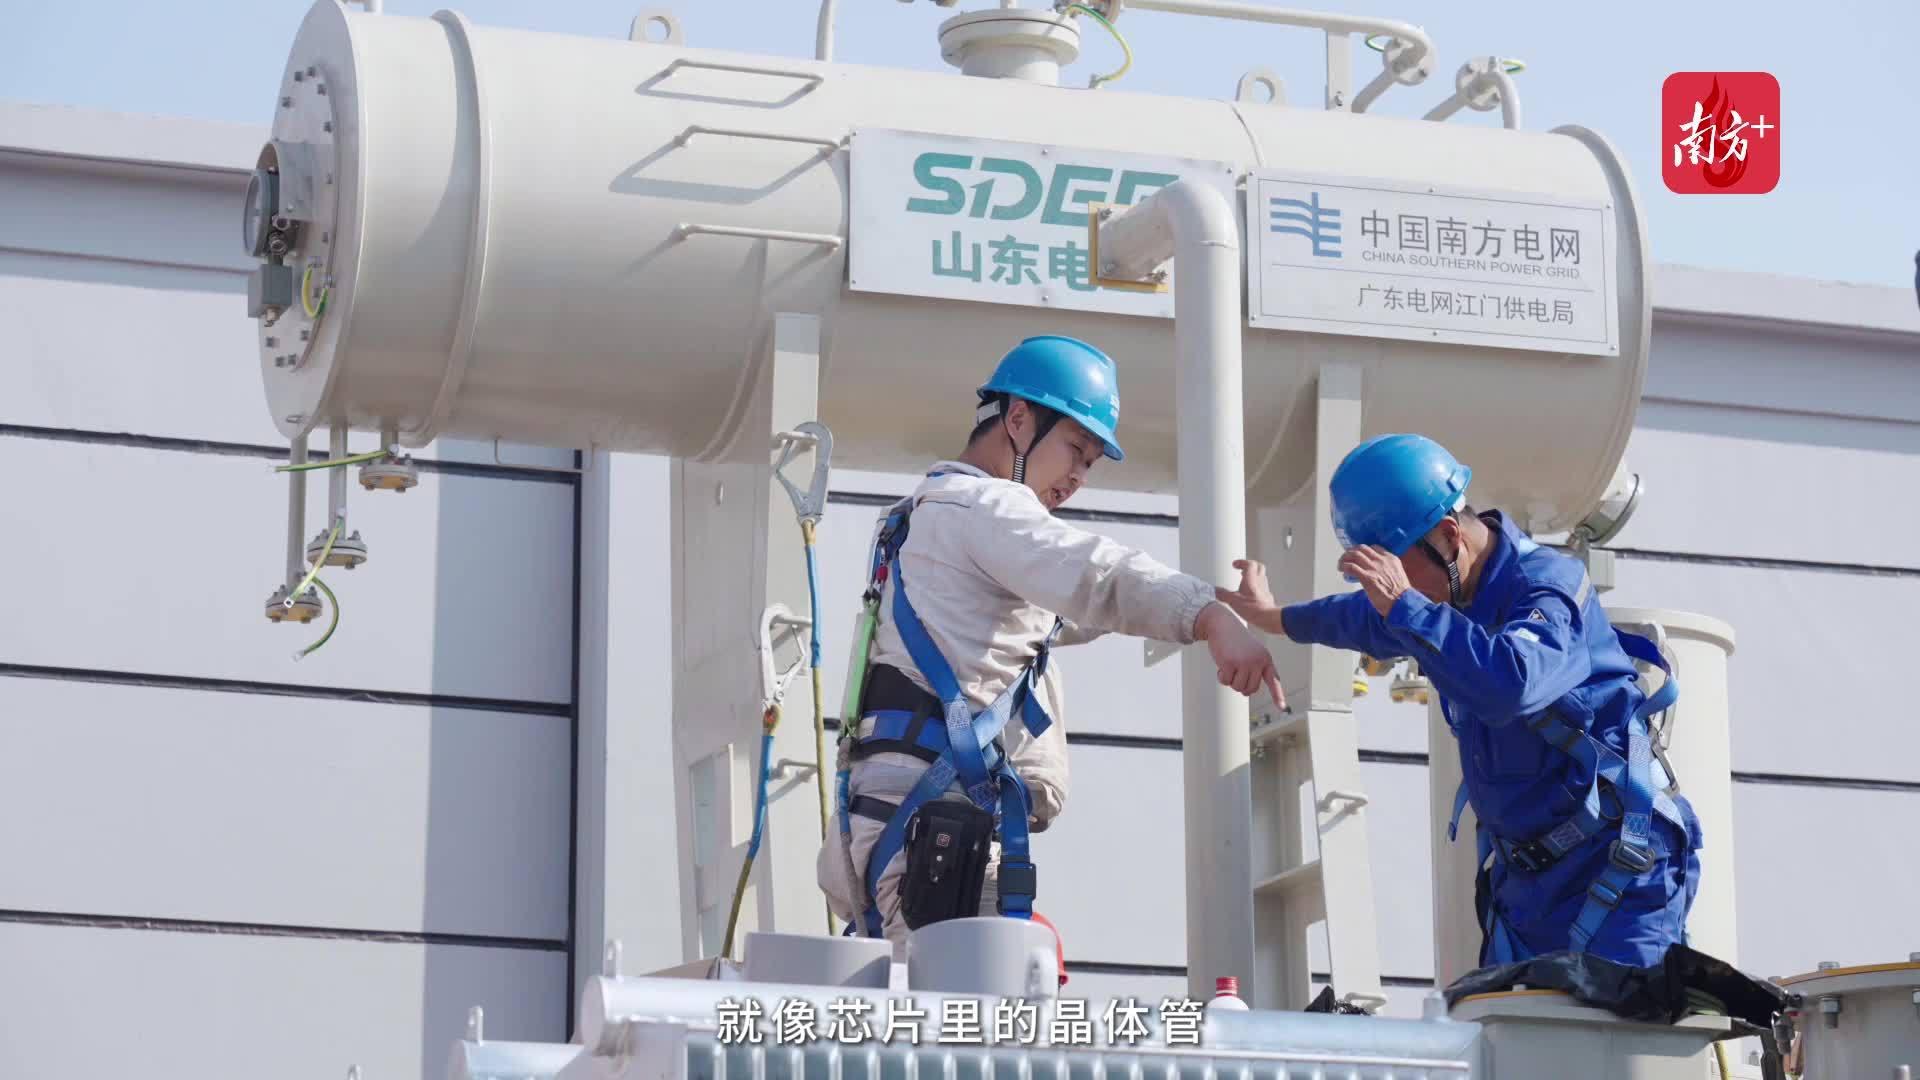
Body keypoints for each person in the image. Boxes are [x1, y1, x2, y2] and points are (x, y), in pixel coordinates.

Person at [818, 334, 1284, 952]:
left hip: (897, 827)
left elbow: (1064, 609)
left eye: (1090, 463)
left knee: (917, 1007)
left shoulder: (923, 515)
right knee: (971, 1011)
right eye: (1074, 449)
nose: (1077, 477)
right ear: (1017, 419)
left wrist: (1213, 602)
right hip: (930, 838)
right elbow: (1096, 576)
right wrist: (1208, 617)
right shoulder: (985, 507)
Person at [1217, 433, 1702, 969]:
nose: (1399, 598)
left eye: (1401, 579)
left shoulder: (1546, 585)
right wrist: (1274, 618)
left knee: (1616, 1023)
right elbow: (1359, 617)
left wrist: (1406, 605)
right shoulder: (1440, 590)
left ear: (1449, 537)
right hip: (1528, 890)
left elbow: (1512, 684)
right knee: (1513, 1025)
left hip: (1618, 871)